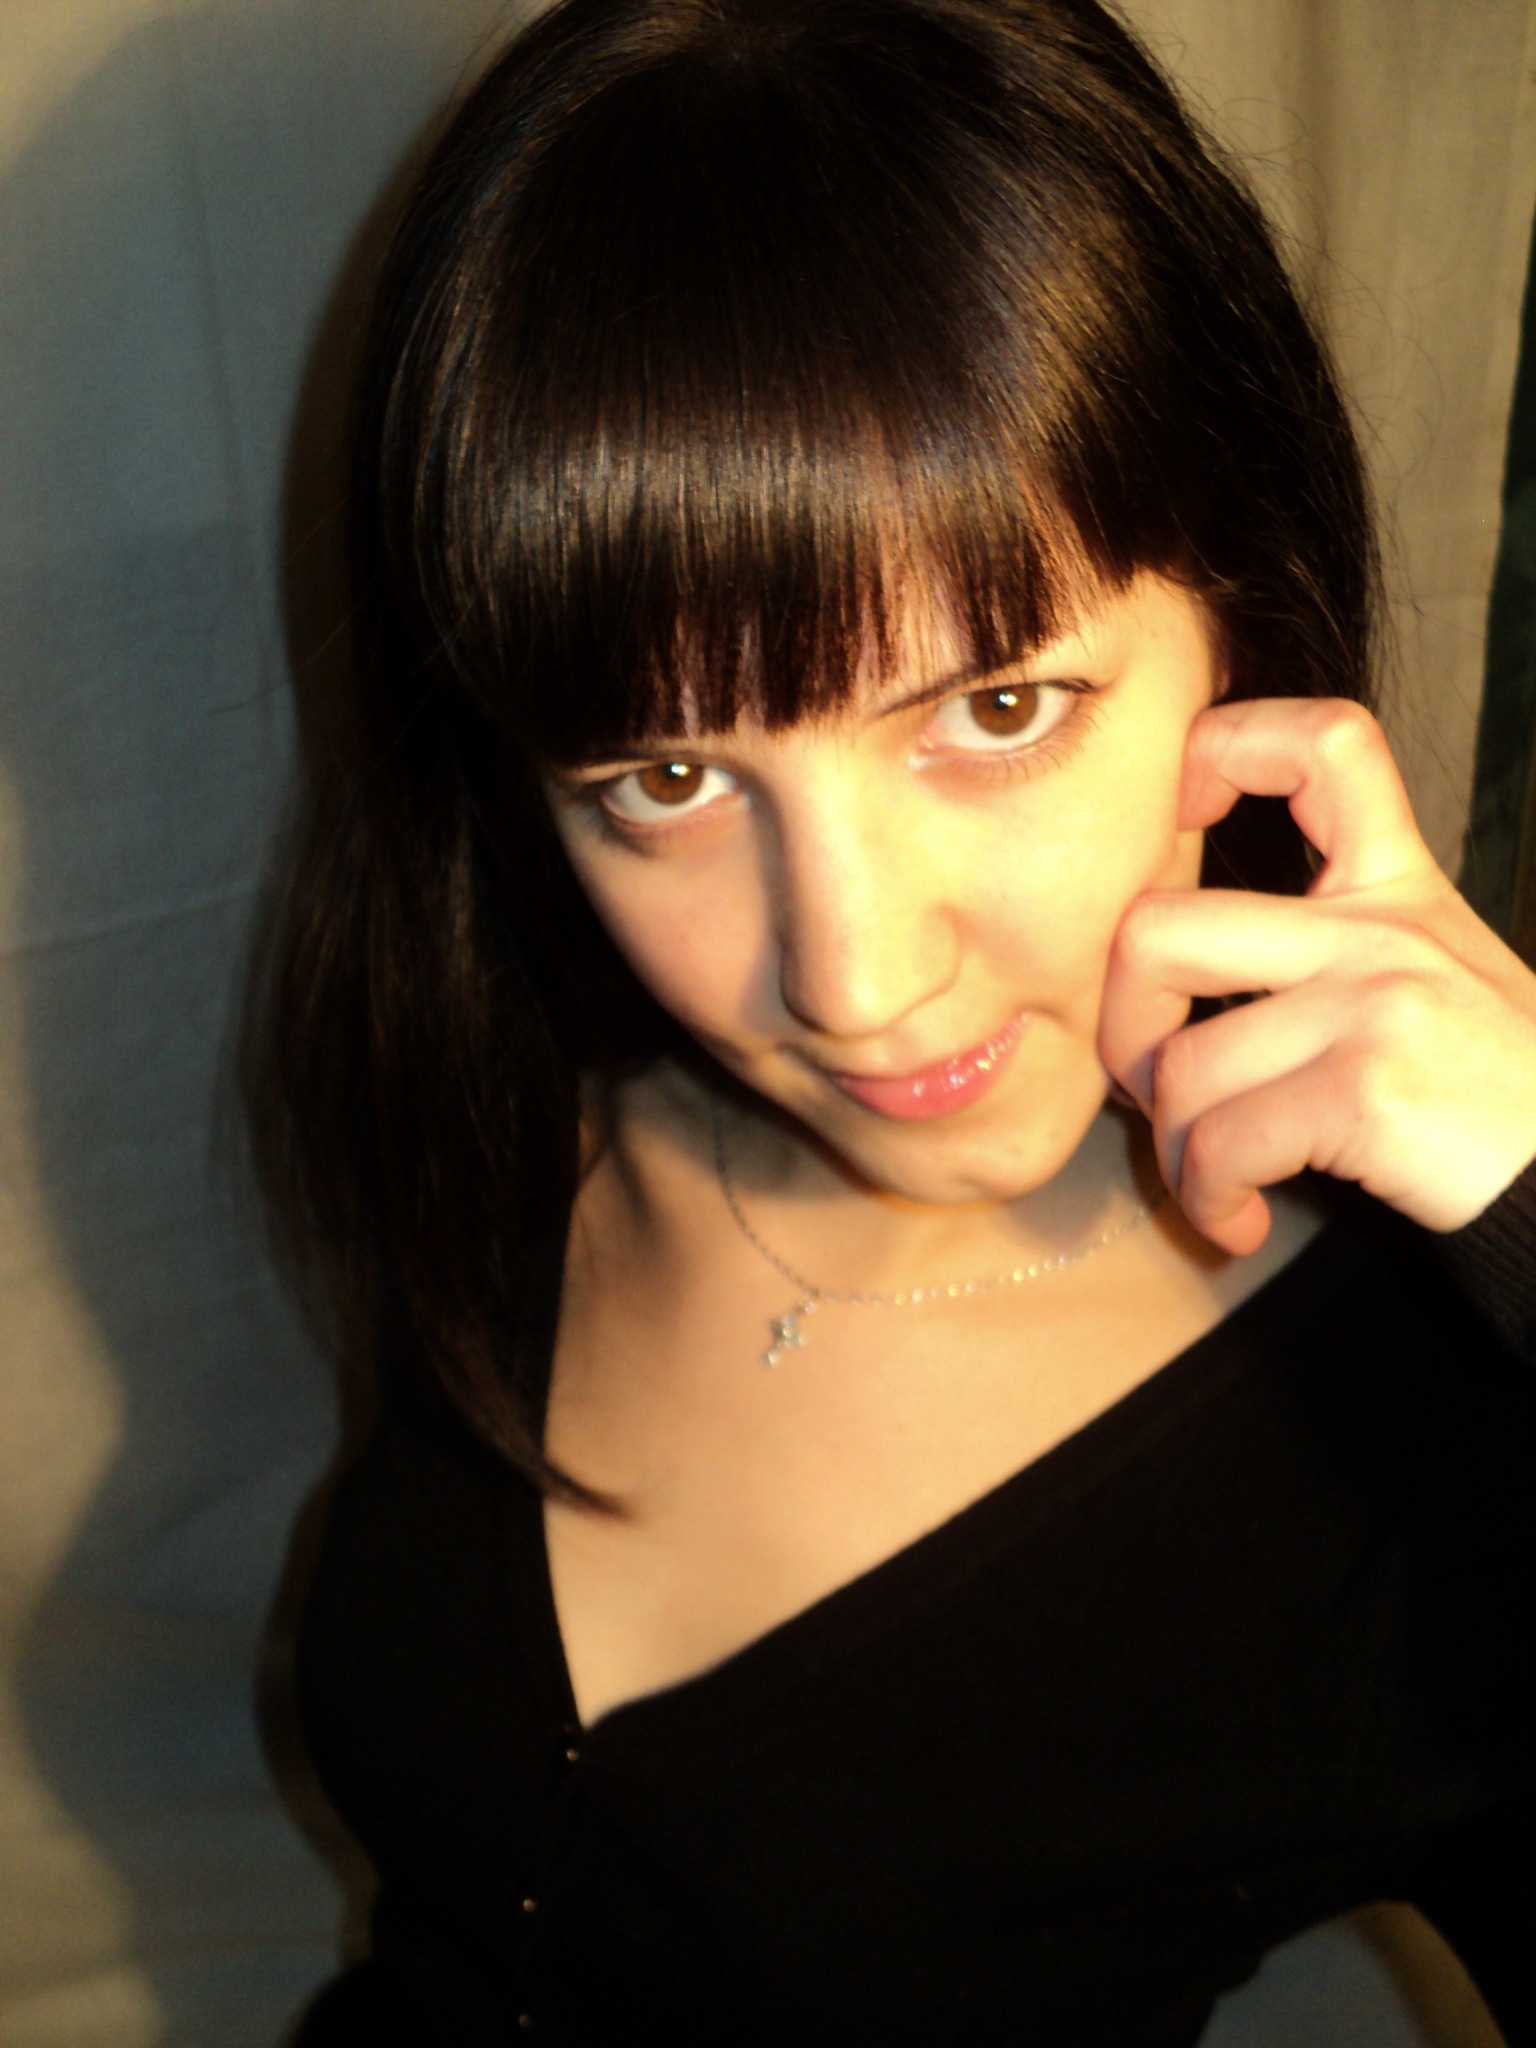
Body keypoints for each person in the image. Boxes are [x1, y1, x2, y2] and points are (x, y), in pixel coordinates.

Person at [246, 0, 1536, 2040]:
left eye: (996, 708)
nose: (847, 980)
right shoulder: (526, 1079)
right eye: (667, 776)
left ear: (1244, 610)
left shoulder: (1411, 1445)